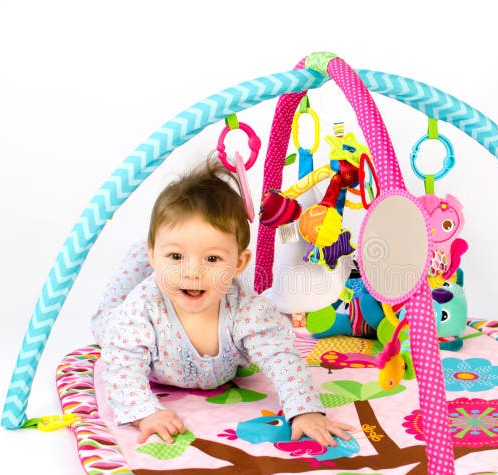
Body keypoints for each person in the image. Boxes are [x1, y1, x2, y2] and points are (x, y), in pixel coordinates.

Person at [91, 154, 355, 447]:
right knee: (107, 320)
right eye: (175, 256)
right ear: (158, 255)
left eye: (212, 258)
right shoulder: (141, 309)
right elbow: (122, 364)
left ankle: (157, 255)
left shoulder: (247, 310)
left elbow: (282, 358)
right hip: (122, 321)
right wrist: (144, 412)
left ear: (240, 263)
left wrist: (303, 410)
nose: (192, 272)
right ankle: (140, 257)